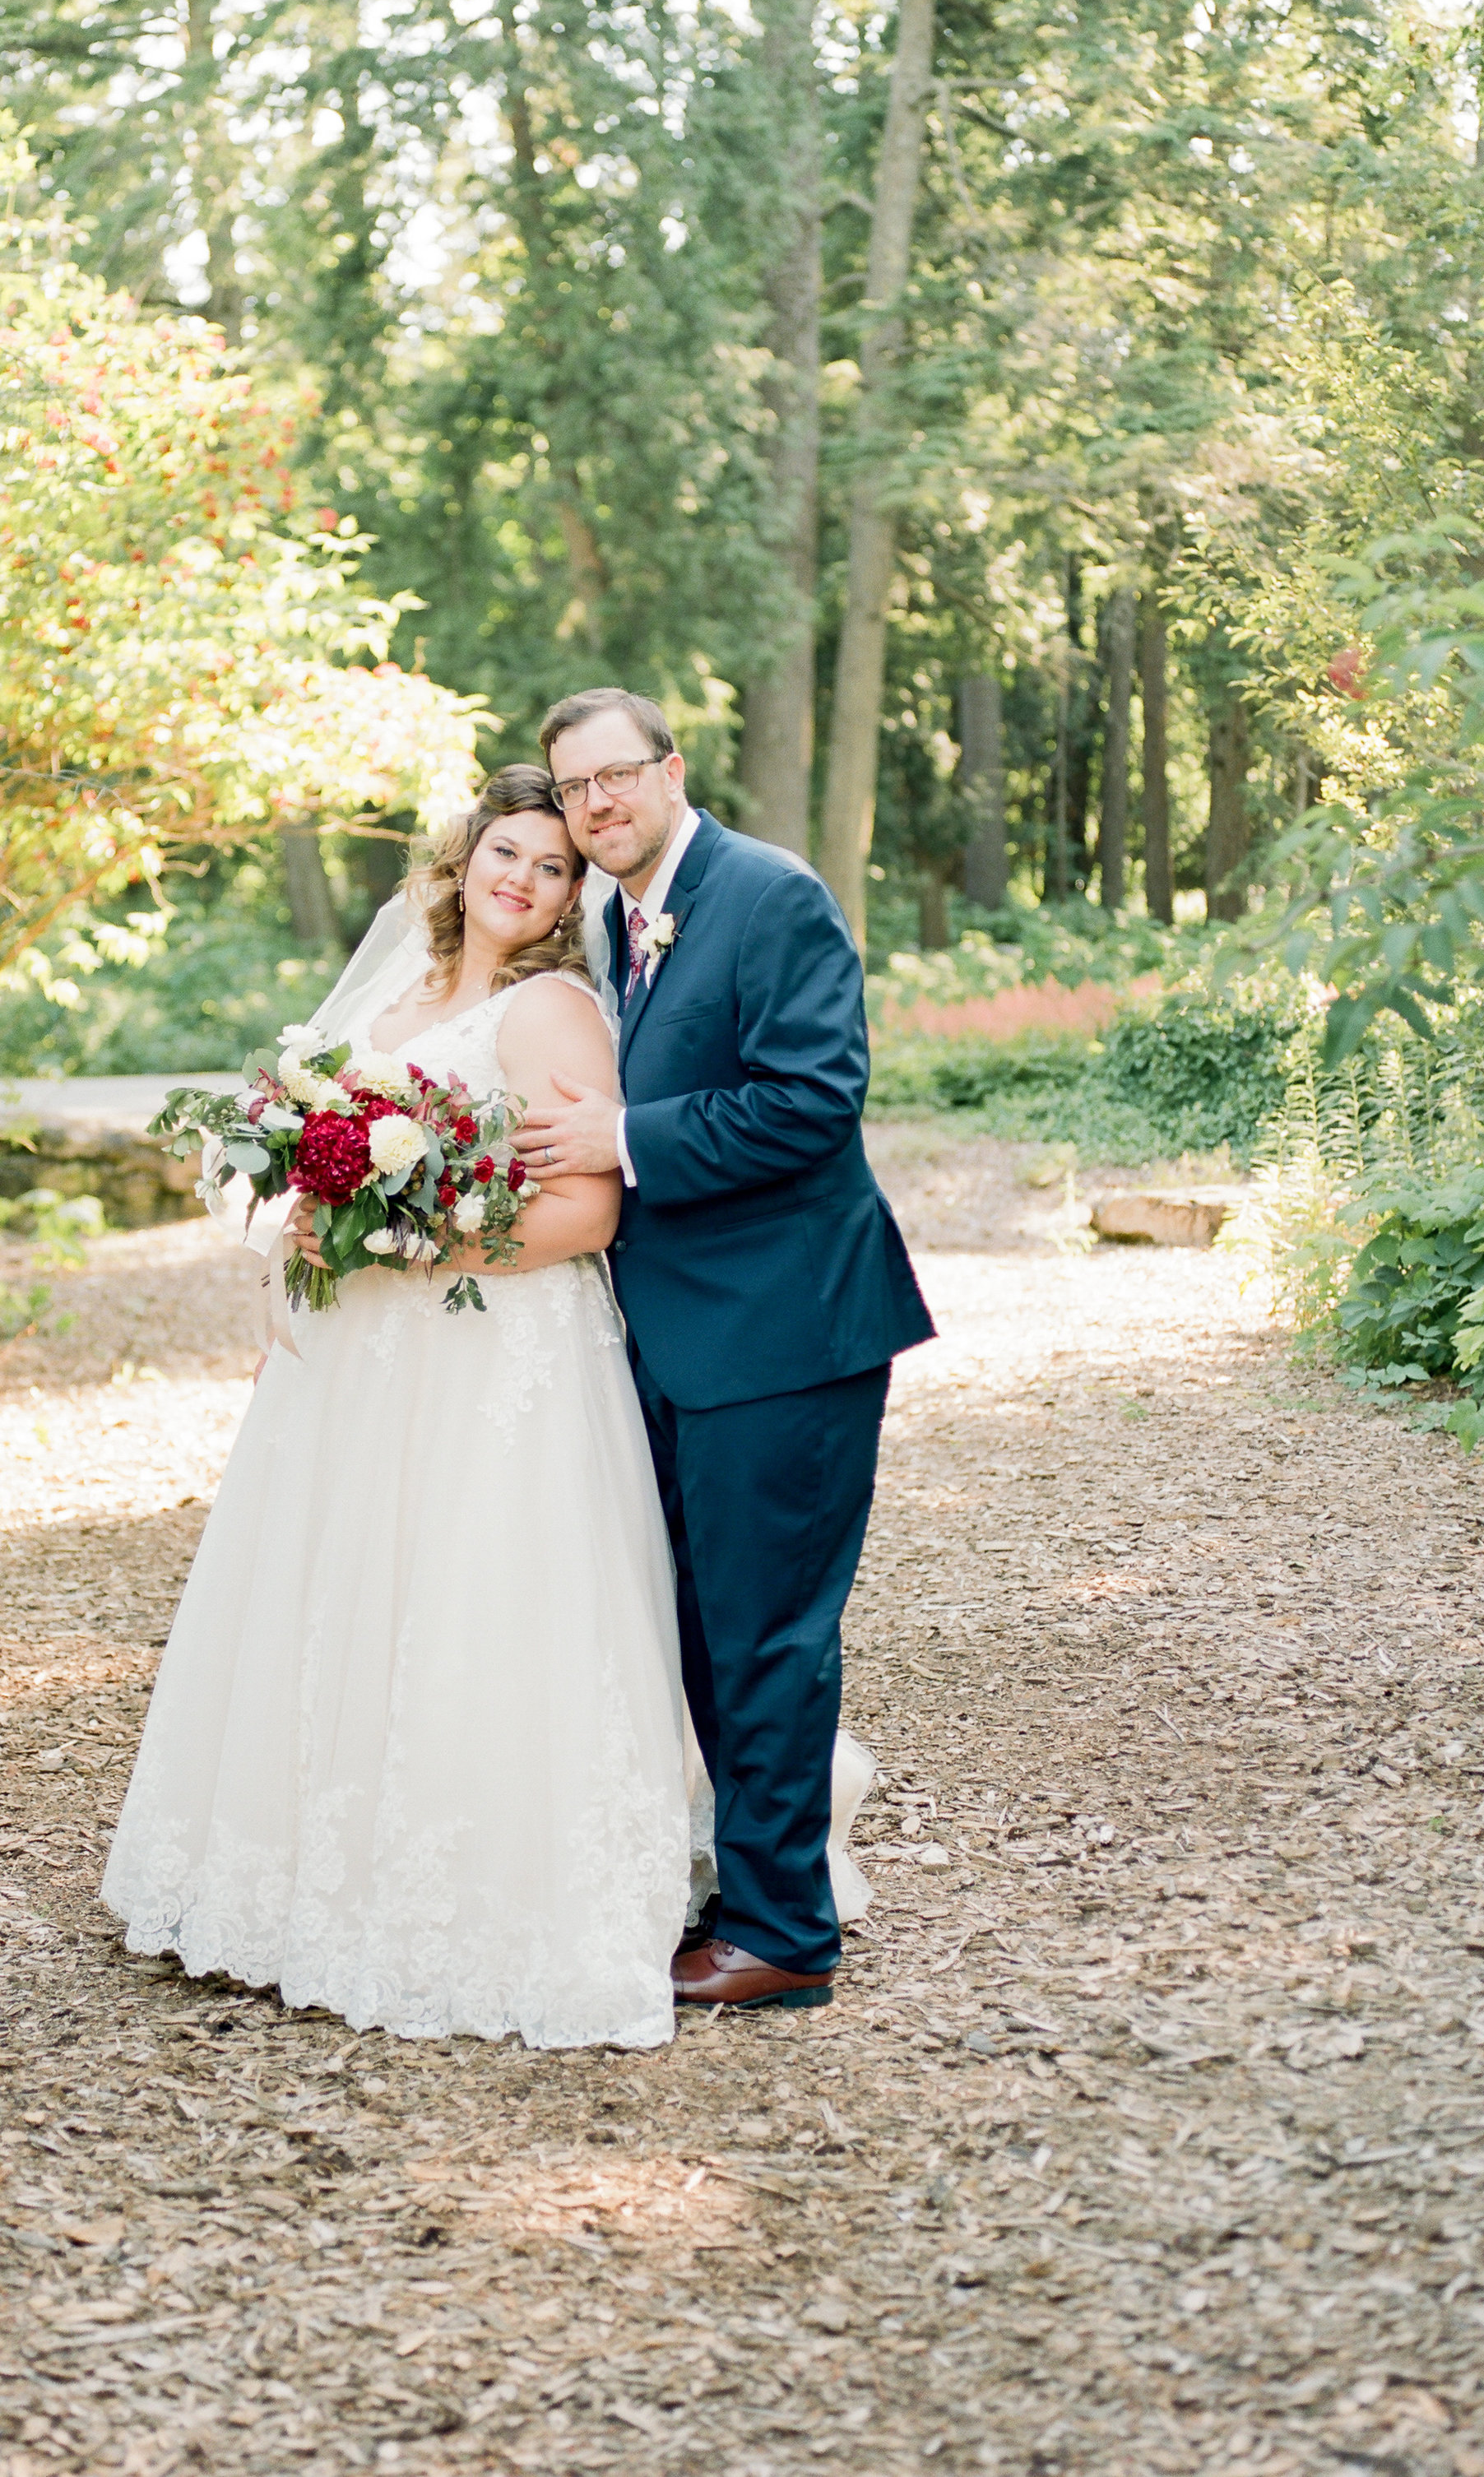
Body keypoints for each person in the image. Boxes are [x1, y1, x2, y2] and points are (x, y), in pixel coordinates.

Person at [101, 764, 693, 2048]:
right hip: (358, 1358)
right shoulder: (401, 998)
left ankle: (471, 1894)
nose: (522, 882)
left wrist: (424, 1247)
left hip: (491, 1360)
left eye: (552, 869)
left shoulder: (551, 1013)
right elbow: (327, 1172)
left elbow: (587, 1212)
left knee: (469, 1594)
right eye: (508, 854)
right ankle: (312, 1875)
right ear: (466, 857)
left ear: (571, 897)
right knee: (338, 1595)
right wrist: (321, 1233)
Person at [512, 689, 934, 2013]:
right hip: (688, 1336)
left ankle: (785, 1936)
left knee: (767, 1638)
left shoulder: (769, 894)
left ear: (671, 769)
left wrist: (622, 1140)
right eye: (576, 788)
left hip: (789, 1332)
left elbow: (813, 1100)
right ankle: (743, 1883)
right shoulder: (616, 922)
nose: (598, 805)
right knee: (702, 1631)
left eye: (619, 775)